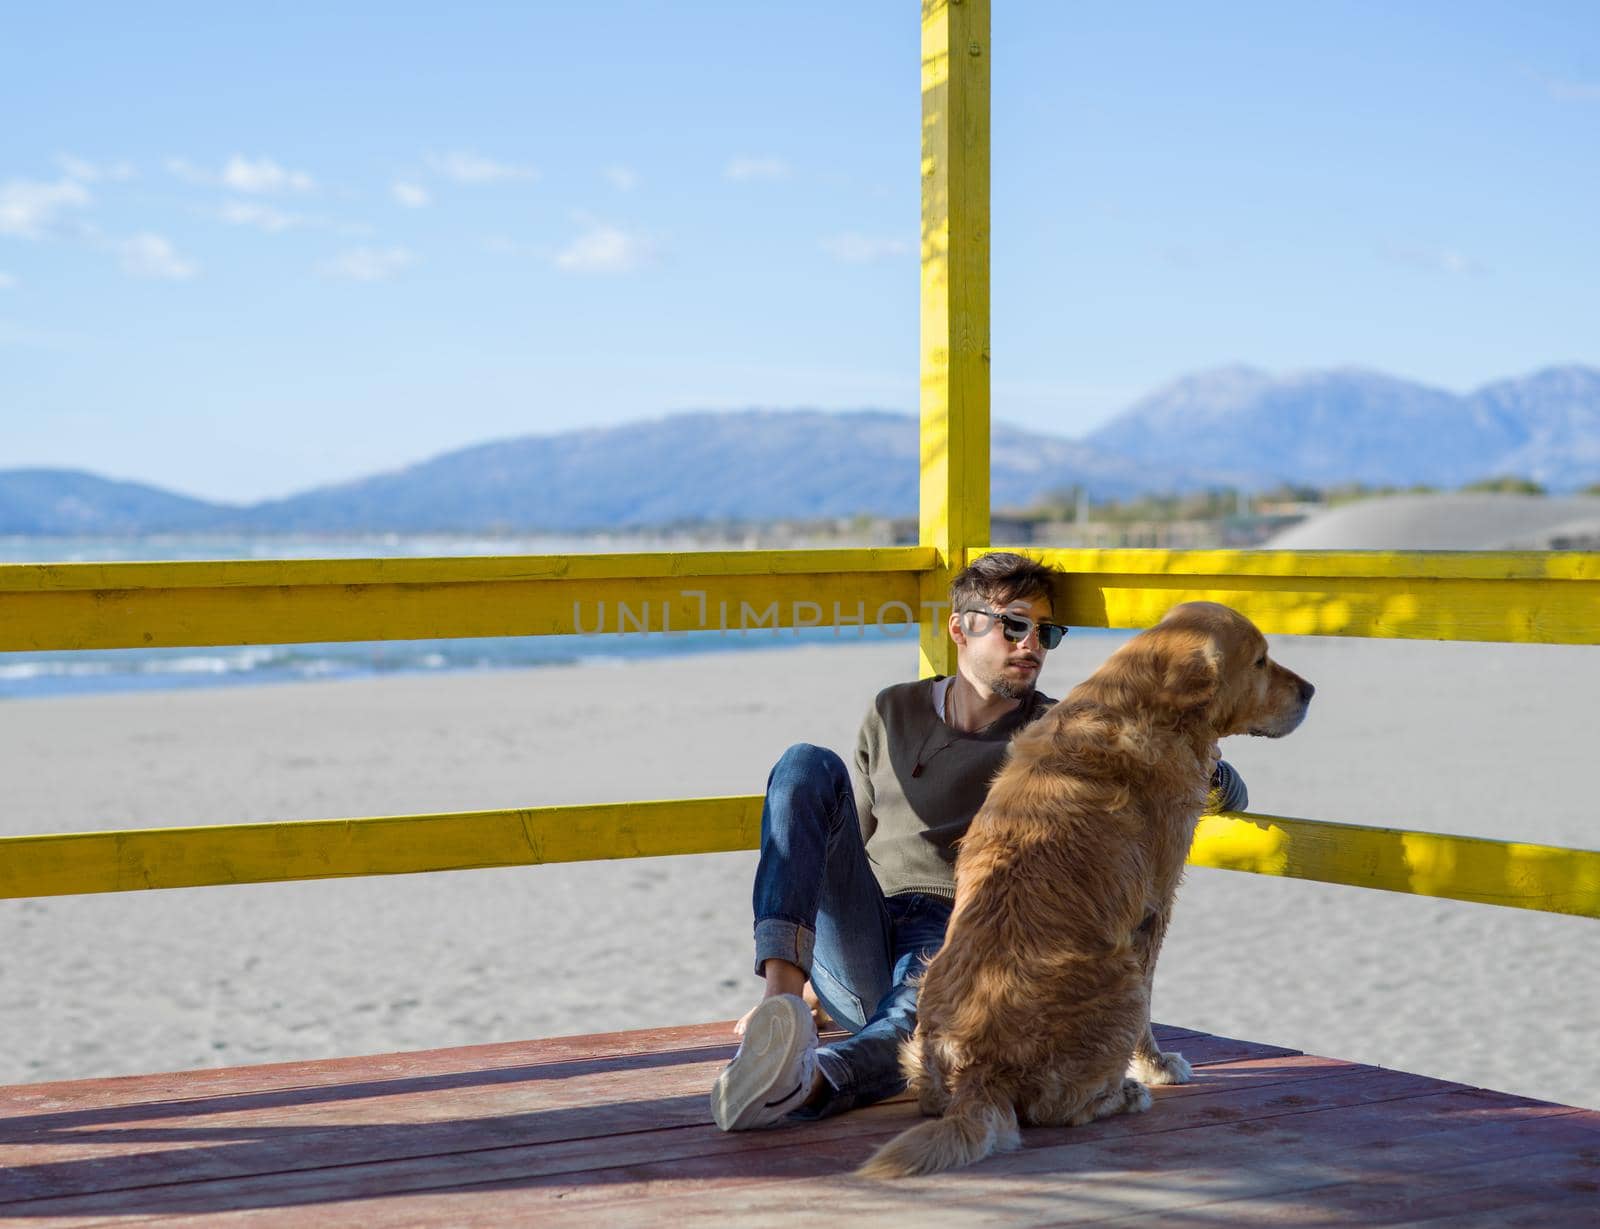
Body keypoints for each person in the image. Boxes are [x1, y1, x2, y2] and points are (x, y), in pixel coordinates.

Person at [709, 552, 1248, 1131]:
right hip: (863, 929)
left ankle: (807, 1080)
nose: (1032, 645)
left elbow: (1230, 792)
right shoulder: (893, 709)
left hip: (962, 937)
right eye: (1014, 625)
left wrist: (1190, 753)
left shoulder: (1063, 730)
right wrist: (814, 988)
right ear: (960, 627)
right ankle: (781, 1004)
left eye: (1047, 632)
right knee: (804, 765)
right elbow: (850, 840)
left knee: (917, 1023)